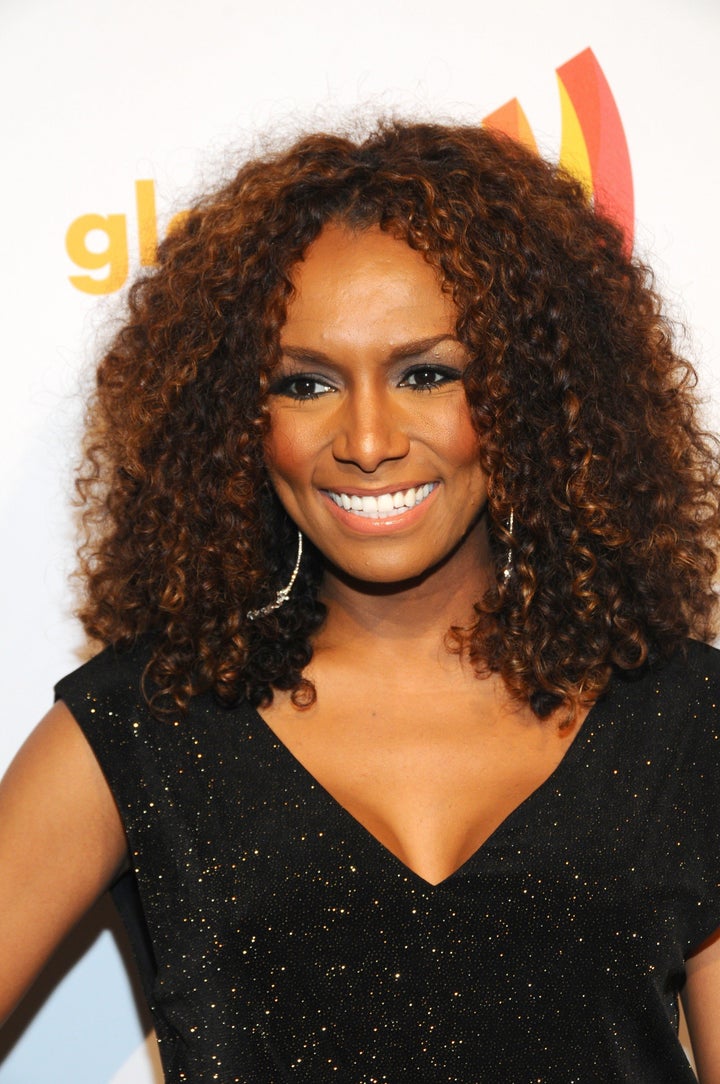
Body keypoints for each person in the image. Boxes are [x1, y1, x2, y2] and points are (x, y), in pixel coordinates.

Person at [1, 120, 719, 1083]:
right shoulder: (144, 723)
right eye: (305, 383)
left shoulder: (685, 720)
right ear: (237, 422)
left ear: (529, 393)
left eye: (428, 373)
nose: (368, 440)